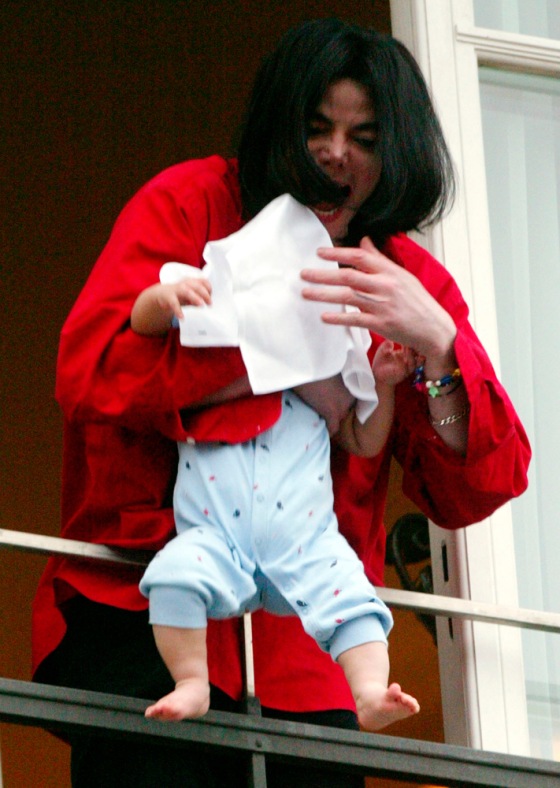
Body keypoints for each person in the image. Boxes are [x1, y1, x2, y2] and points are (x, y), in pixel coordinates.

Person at [32, 18, 531, 788]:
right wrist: (278, 351)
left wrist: (436, 345)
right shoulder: (191, 201)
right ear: (281, 127)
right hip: (153, 613)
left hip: (310, 647)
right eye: (316, 128)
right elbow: (91, 374)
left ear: (393, 150)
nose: (335, 153)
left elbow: (479, 484)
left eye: (363, 136)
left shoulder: (400, 276)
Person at [130, 263, 420, 730]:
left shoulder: (321, 372)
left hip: (305, 540)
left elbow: (362, 439)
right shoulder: (216, 336)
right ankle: (191, 680)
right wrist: (159, 299)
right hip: (215, 537)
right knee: (172, 576)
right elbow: (143, 326)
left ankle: (367, 692)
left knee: (354, 598)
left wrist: (382, 383)